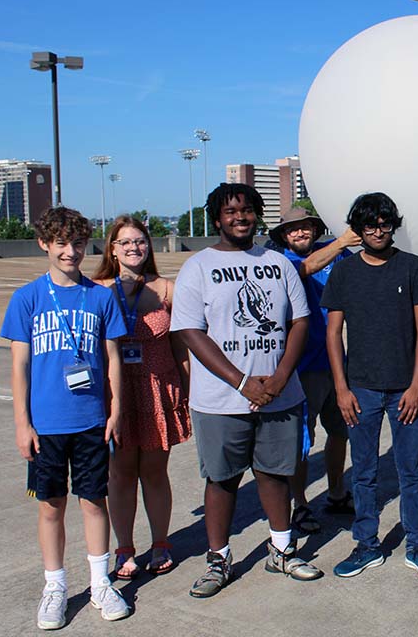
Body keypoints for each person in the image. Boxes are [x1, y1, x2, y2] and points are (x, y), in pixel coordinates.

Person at [170, 183, 323, 599]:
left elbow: (300, 322)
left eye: (248, 210)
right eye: (230, 211)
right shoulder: (198, 267)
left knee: (275, 473)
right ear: (217, 218)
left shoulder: (278, 263)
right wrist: (240, 381)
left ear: (257, 214)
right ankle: (219, 559)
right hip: (220, 400)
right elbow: (189, 331)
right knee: (222, 480)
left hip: (280, 394)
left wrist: (278, 377)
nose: (240, 218)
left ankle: (282, 548)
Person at [0, 206, 131, 629]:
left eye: (77, 244)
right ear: (44, 244)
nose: (70, 252)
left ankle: (99, 582)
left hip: (91, 420)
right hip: (47, 425)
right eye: (61, 244)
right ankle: (54, 587)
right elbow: (19, 366)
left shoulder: (99, 296)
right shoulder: (28, 298)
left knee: (95, 501)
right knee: (51, 506)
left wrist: (115, 411)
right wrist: (23, 423)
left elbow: (113, 359)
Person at [321, 192, 418, 579]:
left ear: (394, 225)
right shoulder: (344, 272)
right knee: (364, 471)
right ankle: (367, 545)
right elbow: (333, 333)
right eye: (370, 224)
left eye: (385, 223)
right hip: (361, 389)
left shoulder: (412, 267)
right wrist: (341, 388)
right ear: (357, 228)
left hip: (404, 389)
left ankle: (417, 545)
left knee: (410, 470)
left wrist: (416, 385)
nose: (378, 230)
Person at [93, 215, 191, 580]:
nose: (134, 247)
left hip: (158, 389)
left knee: (154, 471)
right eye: (126, 242)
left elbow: (180, 343)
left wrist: (185, 386)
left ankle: (161, 542)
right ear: (113, 249)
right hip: (117, 391)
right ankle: (124, 548)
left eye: (140, 241)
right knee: (119, 473)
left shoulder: (166, 289)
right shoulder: (97, 289)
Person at [265, 206, 362, 533]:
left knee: (340, 432)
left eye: (305, 227)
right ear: (284, 236)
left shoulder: (334, 252)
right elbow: (305, 269)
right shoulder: (281, 262)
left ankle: (336, 493)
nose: (299, 233)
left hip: (337, 365)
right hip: (300, 368)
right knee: (301, 442)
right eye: (292, 230)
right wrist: (343, 241)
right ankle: (300, 504)